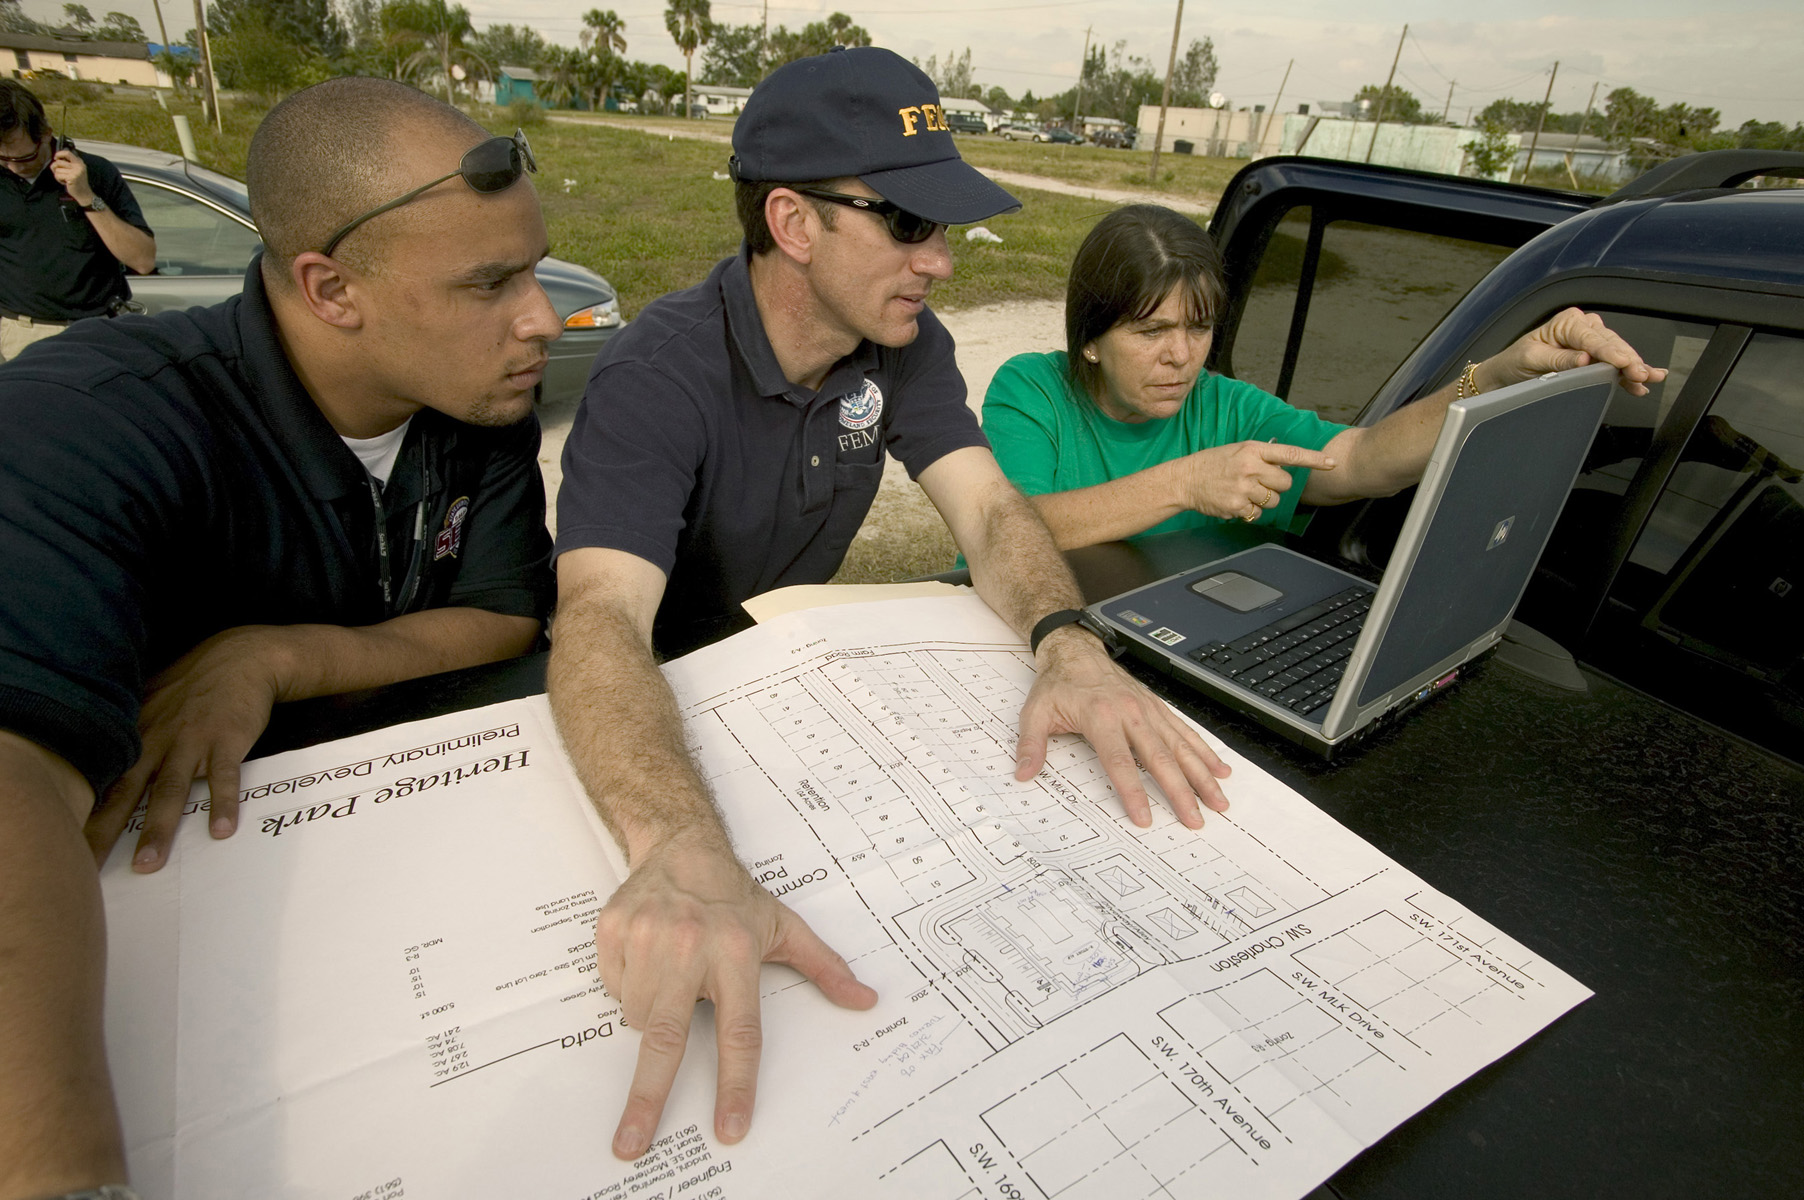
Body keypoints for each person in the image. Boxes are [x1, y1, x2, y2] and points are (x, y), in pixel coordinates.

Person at [548, 47, 1233, 1163]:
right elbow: (598, 622)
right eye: (910, 225)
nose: (943, 262)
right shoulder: (656, 376)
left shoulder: (900, 346)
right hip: (644, 730)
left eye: (944, 229)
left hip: (783, 707)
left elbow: (992, 515)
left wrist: (1069, 645)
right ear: (792, 221)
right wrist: (672, 839)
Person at [0, 77, 559, 1197]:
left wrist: (277, 655)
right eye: (491, 282)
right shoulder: (96, 415)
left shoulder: (473, 402)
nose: (542, 316)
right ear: (330, 286)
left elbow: (503, 611)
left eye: (533, 268)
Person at [982, 204, 1667, 548]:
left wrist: (1490, 377)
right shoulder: (1031, 390)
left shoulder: (1228, 409)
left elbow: (1363, 459)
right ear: (1091, 340)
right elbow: (1015, 531)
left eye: (1198, 328)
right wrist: (1188, 482)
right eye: (1150, 330)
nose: (1182, 356)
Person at [0, 79, 156, 361]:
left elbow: (143, 260)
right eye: (2, 159)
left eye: (24, 158)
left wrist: (86, 197)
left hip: (100, 330)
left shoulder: (96, 173)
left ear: (47, 135)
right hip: (25, 335)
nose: (13, 167)